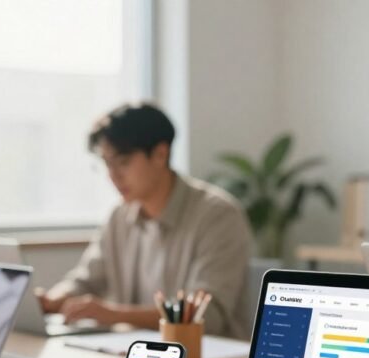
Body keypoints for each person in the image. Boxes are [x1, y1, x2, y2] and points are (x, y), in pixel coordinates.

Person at [38, 103, 253, 338]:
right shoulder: (119, 216)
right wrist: (52, 301)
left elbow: (205, 315)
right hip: (132, 354)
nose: (113, 175)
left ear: (161, 154)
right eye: (106, 163)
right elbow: (86, 281)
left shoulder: (217, 215)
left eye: (123, 162)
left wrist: (115, 314)